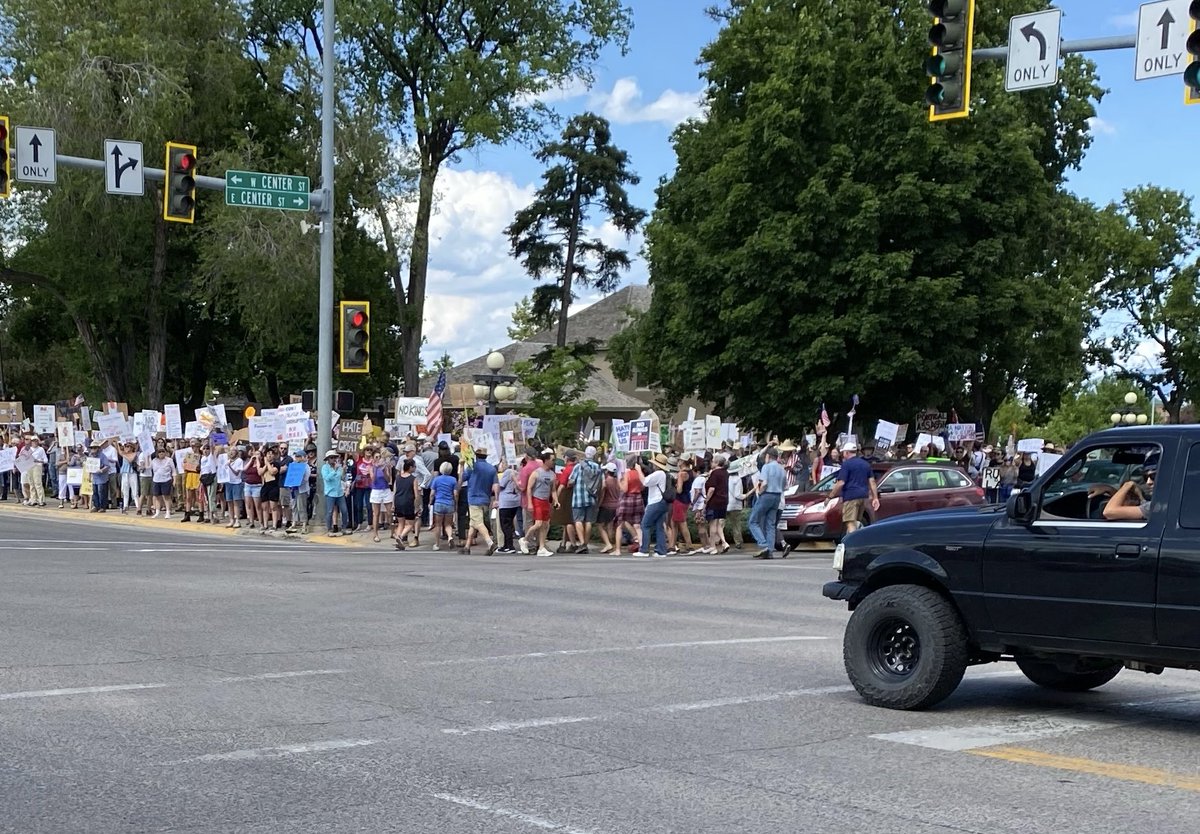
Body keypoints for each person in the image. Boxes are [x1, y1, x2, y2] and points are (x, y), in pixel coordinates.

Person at [825, 441, 880, 537]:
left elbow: (841, 482)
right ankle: (857, 541)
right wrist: (875, 498)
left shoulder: (846, 465)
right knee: (857, 522)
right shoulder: (865, 464)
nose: (843, 455)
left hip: (851, 497)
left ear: (846, 452)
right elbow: (872, 482)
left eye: (843, 453)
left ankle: (853, 546)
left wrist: (830, 496)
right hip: (863, 497)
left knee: (850, 522)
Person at [462, 443, 499, 555]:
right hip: (485, 499)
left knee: (478, 522)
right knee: (473, 523)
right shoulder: (492, 469)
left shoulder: (472, 467)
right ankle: (467, 546)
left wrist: (461, 466)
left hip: (473, 498)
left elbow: (462, 478)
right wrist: (496, 499)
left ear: (476, 456)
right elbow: (496, 485)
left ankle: (490, 543)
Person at [748, 447, 784, 559]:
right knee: (771, 524)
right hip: (777, 496)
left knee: (753, 521)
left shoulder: (766, 467)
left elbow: (764, 483)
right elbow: (785, 485)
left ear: (768, 456)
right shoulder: (781, 468)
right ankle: (770, 550)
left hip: (767, 495)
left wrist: (760, 492)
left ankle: (763, 545)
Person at [567, 445, 603, 554]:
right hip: (591, 497)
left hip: (578, 497)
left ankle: (582, 543)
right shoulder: (597, 467)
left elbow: (571, 481)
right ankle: (586, 543)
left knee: (578, 520)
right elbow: (600, 483)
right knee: (588, 521)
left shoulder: (578, 466)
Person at [522, 449, 557, 557]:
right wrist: (530, 503)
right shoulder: (536, 473)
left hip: (546, 501)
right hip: (537, 499)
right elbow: (529, 488)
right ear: (546, 460)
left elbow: (553, 490)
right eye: (552, 460)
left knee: (545, 525)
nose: (553, 462)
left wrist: (556, 500)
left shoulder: (552, 475)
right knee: (538, 523)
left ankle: (541, 547)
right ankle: (525, 539)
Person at [638, 453, 671, 557]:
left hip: (656, 501)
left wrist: (638, 470)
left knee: (645, 524)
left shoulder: (658, 474)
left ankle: (644, 550)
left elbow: (645, 481)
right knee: (659, 526)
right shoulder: (664, 474)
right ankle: (661, 550)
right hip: (662, 502)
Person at [614, 456, 644, 556]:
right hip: (638, 498)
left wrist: (619, 482)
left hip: (627, 499)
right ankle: (641, 547)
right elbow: (643, 486)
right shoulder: (639, 473)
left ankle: (617, 550)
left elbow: (625, 488)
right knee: (637, 525)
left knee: (619, 524)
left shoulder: (627, 474)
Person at [429, 460, 459, 551]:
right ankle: (450, 537)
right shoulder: (453, 480)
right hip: (449, 503)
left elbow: (432, 493)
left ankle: (437, 544)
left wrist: (430, 502)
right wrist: (455, 503)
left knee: (438, 525)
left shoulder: (436, 479)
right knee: (448, 524)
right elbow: (456, 494)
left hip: (439, 503)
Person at [704, 455, 731, 554]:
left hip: (715, 500)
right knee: (719, 524)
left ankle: (713, 546)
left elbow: (712, 488)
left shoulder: (715, 473)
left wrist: (706, 499)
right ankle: (724, 543)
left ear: (716, 463)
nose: (711, 463)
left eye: (712, 462)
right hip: (724, 500)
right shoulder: (725, 473)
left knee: (713, 524)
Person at [392, 458, 420, 550]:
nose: (415, 468)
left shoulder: (398, 478)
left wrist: (393, 504)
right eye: (414, 466)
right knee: (410, 524)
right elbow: (416, 494)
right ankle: (400, 537)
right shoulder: (413, 479)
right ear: (410, 467)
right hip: (408, 502)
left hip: (398, 501)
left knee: (401, 523)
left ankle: (398, 537)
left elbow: (395, 491)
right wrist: (417, 506)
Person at [496, 458, 522, 553]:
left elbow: (501, 485)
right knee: (509, 523)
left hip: (506, 501)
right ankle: (506, 545)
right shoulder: (517, 472)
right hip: (515, 500)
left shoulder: (508, 472)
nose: (501, 465)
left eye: (502, 463)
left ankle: (509, 546)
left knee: (505, 524)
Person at [321, 450, 348, 535]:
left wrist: (344, 470)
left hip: (339, 492)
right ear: (328, 459)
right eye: (332, 458)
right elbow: (326, 478)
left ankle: (344, 528)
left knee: (344, 510)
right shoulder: (325, 468)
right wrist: (334, 470)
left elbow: (343, 478)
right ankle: (329, 529)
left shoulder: (339, 467)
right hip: (330, 493)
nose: (334, 459)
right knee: (329, 511)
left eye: (335, 457)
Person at [596, 461, 621, 554]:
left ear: (607, 471)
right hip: (616, 505)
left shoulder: (606, 482)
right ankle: (613, 545)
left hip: (606, 505)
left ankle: (607, 544)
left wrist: (599, 504)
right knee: (610, 526)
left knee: (600, 525)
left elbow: (602, 494)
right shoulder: (617, 481)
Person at [149, 446, 176, 518]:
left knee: (166, 497)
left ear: (165, 452)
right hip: (156, 480)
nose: (161, 453)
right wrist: (147, 457)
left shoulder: (169, 460)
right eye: (159, 452)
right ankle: (157, 512)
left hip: (166, 480)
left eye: (163, 451)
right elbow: (148, 467)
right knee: (157, 497)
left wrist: (174, 480)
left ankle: (168, 512)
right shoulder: (154, 460)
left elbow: (173, 471)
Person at [223, 447, 245, 529]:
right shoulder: (228, 461)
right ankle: (231, 519)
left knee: (236, 502)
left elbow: (237, 473)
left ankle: (237, 520)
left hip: (236, 482)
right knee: (229, 502)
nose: (231, 452)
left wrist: (230, 466)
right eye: (230, 451)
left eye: (233, 451)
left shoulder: (239, 461)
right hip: (228, 482)